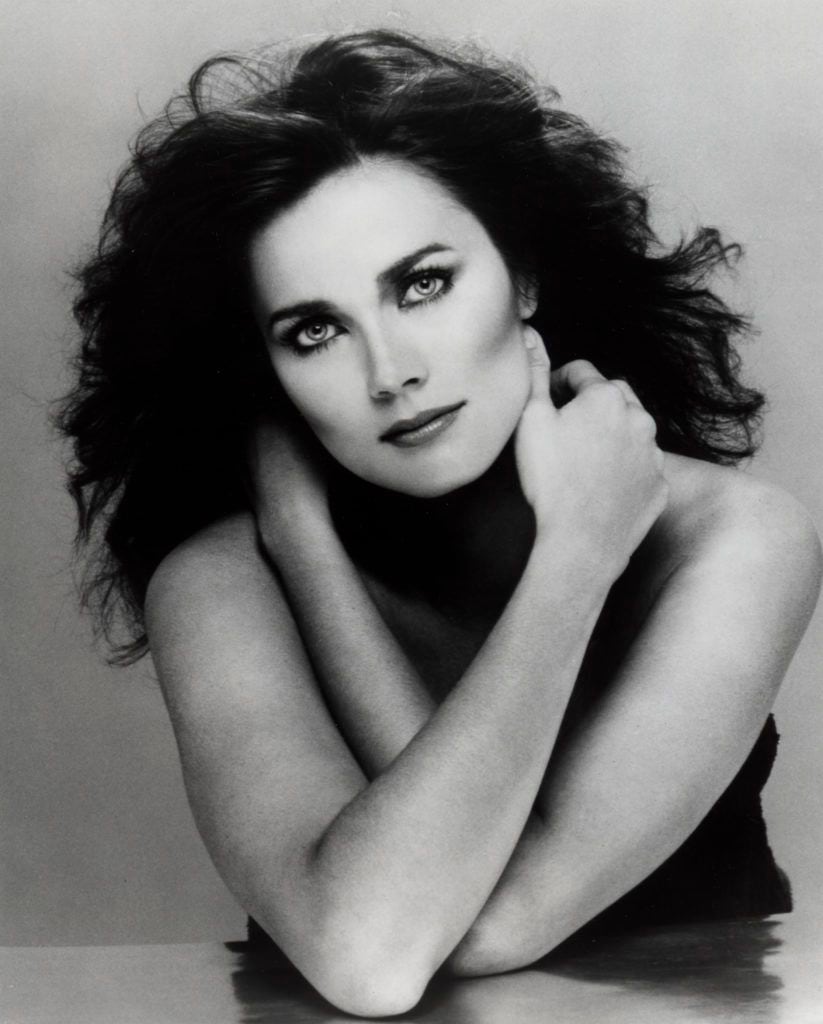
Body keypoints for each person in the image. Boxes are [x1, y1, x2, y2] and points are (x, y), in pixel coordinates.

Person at [58, 29, 821, 1017]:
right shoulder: (219, 580)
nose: (390, 372)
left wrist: (574, 557)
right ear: (264, 368)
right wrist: (309, 552)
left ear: (523, 276)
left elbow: (486, 924)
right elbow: (374, 953)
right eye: (315, 330)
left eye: (422, 284)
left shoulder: (735, 539)